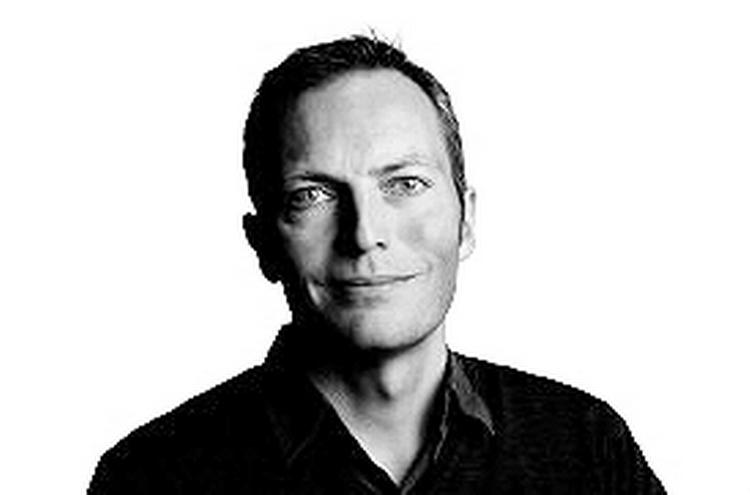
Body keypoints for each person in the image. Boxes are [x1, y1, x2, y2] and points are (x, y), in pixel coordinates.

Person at [88, 35, 666, 494]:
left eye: (405, 183)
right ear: (262, 243)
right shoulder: (153, 477)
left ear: (466, 220)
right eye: (312, 195)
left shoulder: (586, 447)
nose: (365, 235)